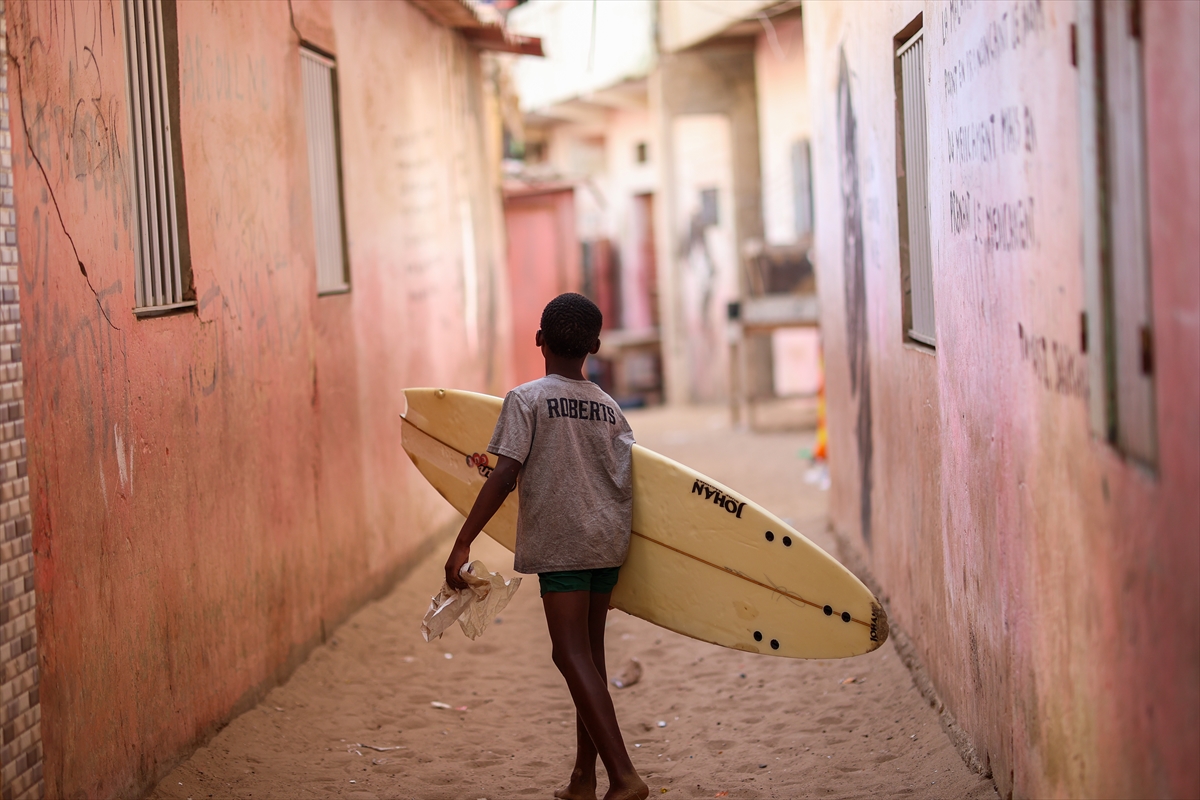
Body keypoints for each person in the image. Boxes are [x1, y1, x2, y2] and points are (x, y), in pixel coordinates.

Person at [444, 293, 649, 800]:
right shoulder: (609, 408)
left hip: (563, 543)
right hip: (606, 540)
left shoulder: (527, 399)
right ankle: (584, 778)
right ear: (595, 346)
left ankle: (624, 776)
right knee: (590, 660)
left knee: (568, 653)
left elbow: (505, 474)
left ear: (539, 339)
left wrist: (463, 541)